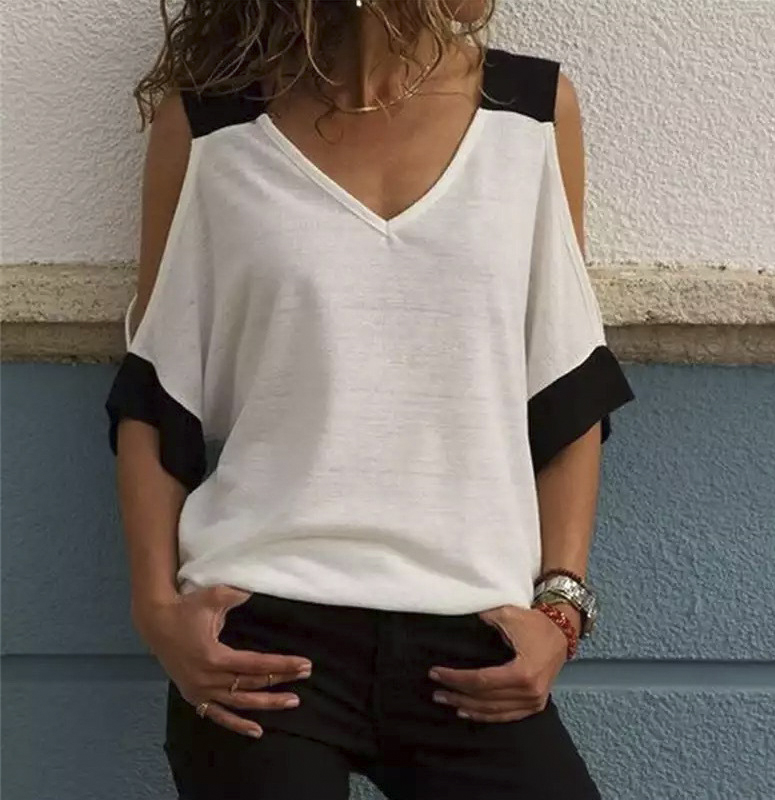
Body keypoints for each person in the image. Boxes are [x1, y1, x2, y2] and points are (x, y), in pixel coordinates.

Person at [104, 1, 635, 798]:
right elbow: (156, 394)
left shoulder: (530, 113)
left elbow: (566, 386)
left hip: (474, 633)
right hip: (261, 632)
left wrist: (560, 610)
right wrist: (155, 610)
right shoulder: (211, 129)